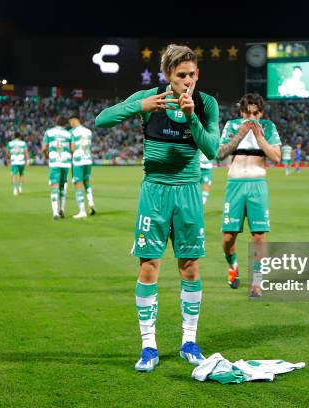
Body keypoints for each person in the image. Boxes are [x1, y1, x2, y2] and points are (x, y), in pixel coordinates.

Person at [95, 44, 220, 372]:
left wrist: (191, 116)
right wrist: (139, 105)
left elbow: (213, 150)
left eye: (193, 74)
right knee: (149, 266)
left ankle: (189, 341)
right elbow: (102, 119)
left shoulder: (206, 104)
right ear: (168, 76)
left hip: (189, 192)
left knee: (190, 267)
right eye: (181, 76)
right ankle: (148, 346)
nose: (188, 81)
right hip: (154, 192)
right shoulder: (150, 99)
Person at [216, 93, 281, 296]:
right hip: (234, 184)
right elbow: (220, 153)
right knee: (228, 238)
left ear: (261, 112)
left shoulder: (268, 128)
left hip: (257, 184)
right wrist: (241, 134)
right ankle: (232, 266)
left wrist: (259, 137)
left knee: (259, 238)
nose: (251, 117)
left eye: (255, 113)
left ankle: (257, 282)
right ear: (241, 112)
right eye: (247, 113)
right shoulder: (232, 125)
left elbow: (276, 157)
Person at [42, 116, 72, 220]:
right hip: (65, 162)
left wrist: (46, 155)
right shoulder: (69, 133)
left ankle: (55, 212)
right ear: (65, 124)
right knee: (62, 187)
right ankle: (62, 209)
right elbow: (73, 148)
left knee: (54, 187)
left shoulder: (49, 132)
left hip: (54, 162)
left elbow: (44, 148)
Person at [69, 114, 95, 218]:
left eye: (70, 122)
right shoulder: (89, 131)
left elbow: (72, 148)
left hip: (78, 160)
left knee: (77, 184)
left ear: (74, 120)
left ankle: (82, 211)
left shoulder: (72, 132)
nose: (70, 124)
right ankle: (91, 203)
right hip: (88, 159)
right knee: (87, 183)